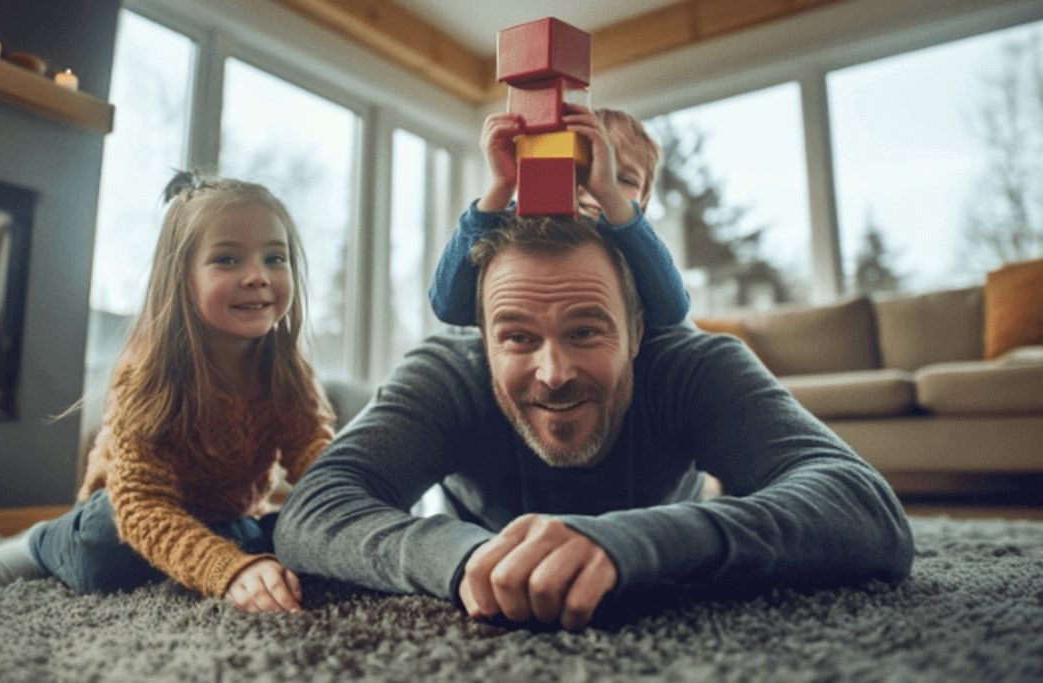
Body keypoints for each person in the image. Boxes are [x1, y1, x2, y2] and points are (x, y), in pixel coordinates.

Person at [274, 213, 914, 631]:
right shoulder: (448, 372)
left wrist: (637, 542)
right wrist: (468, 557)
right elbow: (313, 512)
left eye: (585, 330)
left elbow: (866, 509)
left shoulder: (695, 363)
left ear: (638, 330)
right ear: (484, 342)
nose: (553, 372)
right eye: (518, 338)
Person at [0, 172, 334, 614]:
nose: (257, 276)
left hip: (226, 521)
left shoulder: (287, 370)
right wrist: (229, 570)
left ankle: (224, 551)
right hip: (129, 514)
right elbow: (139, 505)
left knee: (299, 536)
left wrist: (347, 508)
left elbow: (314, 457)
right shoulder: (147, 372)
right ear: (180, 278)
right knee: (103, 556)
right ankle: (41, 543)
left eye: (274, 258)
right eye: (227, 260)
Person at [430, 105, 688, 328]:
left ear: (642, 205)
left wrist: (609, 193)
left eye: (624, 179)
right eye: (581, 169)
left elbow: (672, 309)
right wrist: (502, 184)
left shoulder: (637, 249)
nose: (596, 185)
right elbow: (448, 306)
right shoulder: (526, 228)